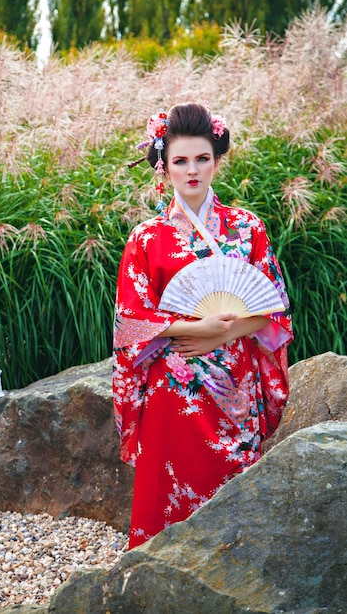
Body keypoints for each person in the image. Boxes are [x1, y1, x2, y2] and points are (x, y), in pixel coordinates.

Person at [113, 102, 293, 550]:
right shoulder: (146, 238)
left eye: (202, 158)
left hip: (235, 385)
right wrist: (189, 328)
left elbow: (274, 309)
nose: (192, 170)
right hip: (173, 388)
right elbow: (130, 324)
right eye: (180, 161)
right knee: (168, 509)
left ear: (216, 159)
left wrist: (223, 332)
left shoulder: (248, 228)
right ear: (163, 166)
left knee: (235, 506)